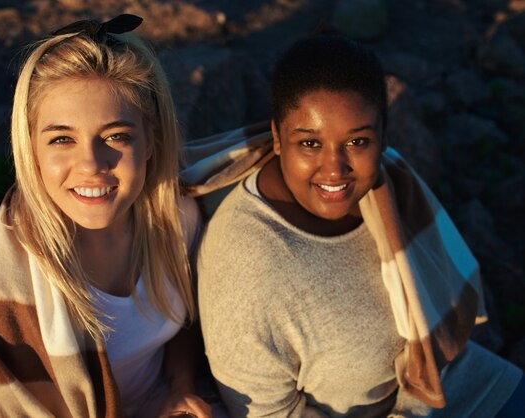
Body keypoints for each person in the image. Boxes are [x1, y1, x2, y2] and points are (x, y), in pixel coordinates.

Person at [194, 34, 525, 417]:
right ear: (278, 139)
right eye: (310, 144)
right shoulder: (246, 266)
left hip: (446, 381)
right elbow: (268, 414)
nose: (335, 168)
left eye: (357, 142)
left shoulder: (389, 184)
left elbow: (431, 307)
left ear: (384, 138)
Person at [0, 14, 212, 418]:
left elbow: (186, 321)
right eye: (62, 139)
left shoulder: (175, 218)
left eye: (116, 136)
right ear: (30, 148)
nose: (91, 164)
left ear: (151, 141)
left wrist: (181, 387)